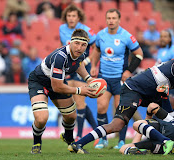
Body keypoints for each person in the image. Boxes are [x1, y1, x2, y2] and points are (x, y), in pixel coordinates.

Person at [68, 59, 174, 154]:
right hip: (133, 89)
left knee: (165, 112)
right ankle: (78, 144)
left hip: (150, 92)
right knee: (117, 125)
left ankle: (156, 143)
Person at [28, 29, 97, 154]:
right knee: (42, 118)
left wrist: (89, 79)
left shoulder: (80, 54)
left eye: (83, 45)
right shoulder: (60, 57)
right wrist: (79, 90)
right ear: (70, 42)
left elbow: (78, 64)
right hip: (40, 81)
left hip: (56, 81)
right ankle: (37, 143)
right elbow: (57, 87)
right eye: (77, 43)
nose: (80, 47)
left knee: (71, 116)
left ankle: (70, 141)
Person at [90, 8, 143, 149]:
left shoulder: (126, 36)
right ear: (106, 19)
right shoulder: (101, 35)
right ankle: (103, 139)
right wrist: (94, 65)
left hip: (120, 79)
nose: (111, 21)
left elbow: (139, 54)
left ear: (119, 20)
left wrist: (128, 71)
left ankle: (121, 141)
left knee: (121, 110)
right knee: (101, 107)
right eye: (109, 18)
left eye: (114, 18)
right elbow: (96, 50)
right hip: (104, 77)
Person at [59, 4, 97, 141]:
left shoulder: (86, 31)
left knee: (80, 102)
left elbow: (96, 49)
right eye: (69, 16)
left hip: (82, 67)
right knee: (77, 101)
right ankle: (98, 131)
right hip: (69, 67)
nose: (71, 18)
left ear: (79, 17)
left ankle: (79, 135)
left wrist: (89, 62)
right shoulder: (61, 29)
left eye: (73, 15)